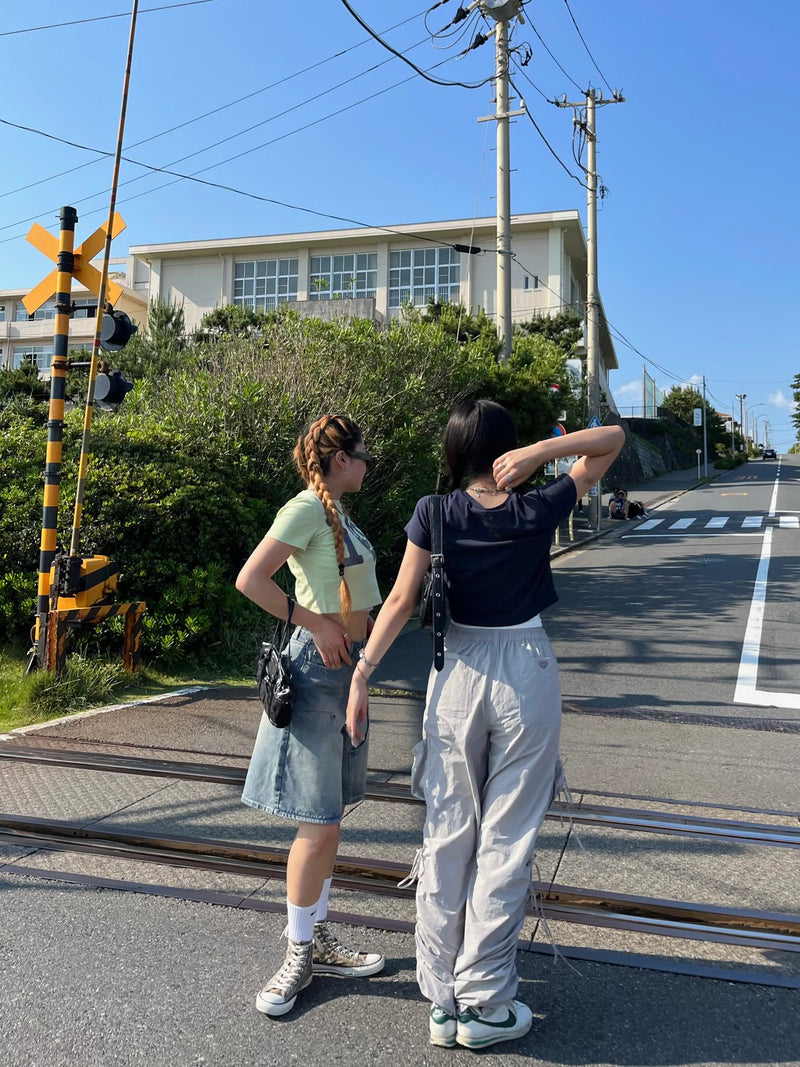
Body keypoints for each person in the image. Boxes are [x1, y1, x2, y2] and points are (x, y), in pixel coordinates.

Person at [346, 400, 624, 1050]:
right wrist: (542, 455)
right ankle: (486, 1001)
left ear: (451, 452)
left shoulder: (434, 513)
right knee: (507, 838)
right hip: (525, 670)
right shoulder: (538, 507)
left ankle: (442, 1001)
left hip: (456, 671)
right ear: (506, 449)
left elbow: (399, 599)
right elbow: (612, 441)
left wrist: (363, 672)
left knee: (447, 832)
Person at [236, 413, 385, 1017]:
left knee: (330, 820)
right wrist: (315, 622)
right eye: (363, 449)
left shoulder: (339, 514)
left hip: (346, 673)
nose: (369, 458)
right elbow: (252, 579)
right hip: (317, 672)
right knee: (316, 823)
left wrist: (363, 674)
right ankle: (297, 950)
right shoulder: (304, 508)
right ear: (341, 459)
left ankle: (316, 936)